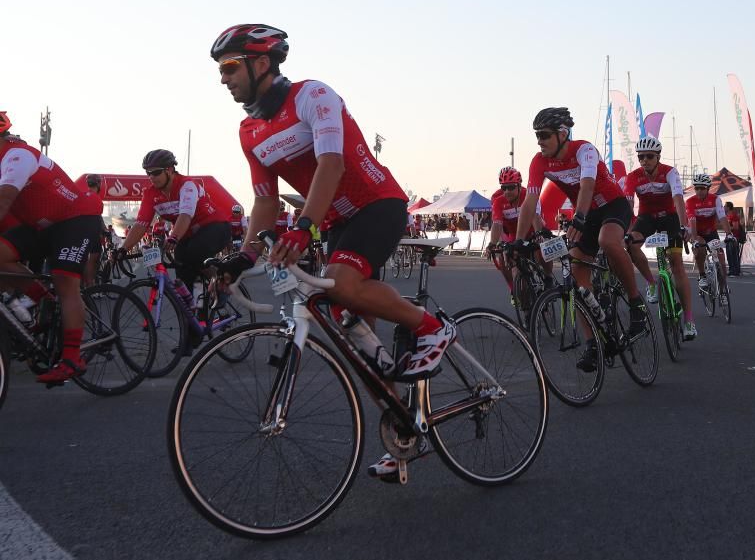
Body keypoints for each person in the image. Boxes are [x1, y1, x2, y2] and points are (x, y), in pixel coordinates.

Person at [208, 24, 454, 382]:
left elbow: (332, 163)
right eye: (220, 70)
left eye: (229, 66)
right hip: (335, 221)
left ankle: (433, 328)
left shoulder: (312, 95)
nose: (223, 78)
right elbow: (265, 201)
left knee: (340, 284)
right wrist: (244, 256)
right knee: (343, 317)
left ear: (261, 63)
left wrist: (304, 228)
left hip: (376, 203)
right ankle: (397, 405)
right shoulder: (249, 132)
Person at [514, 107, 645, 372]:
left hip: (611, 204)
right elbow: (530, 201)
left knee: (608, 242)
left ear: (562, 134)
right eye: (537, 136)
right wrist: (518, 240)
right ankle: (593, 344)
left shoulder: (584, 150)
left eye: (544, 135)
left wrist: (580, 218)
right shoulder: (539, 161)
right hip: (586, 214)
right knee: (576, 275)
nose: (539, 141)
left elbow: (587, 186)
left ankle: (636, 304)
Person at [0, 110, 105, 383]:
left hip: (76, 220)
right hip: (41, 225)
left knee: (64, 281)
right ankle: (45, 301)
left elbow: (4, 199)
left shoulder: (17, 155)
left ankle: (72, 357)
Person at [118, 149, 231, 298]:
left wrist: (173, 237)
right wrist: (123, 249)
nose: (151, 177)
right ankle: (193, 313)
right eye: (148, 173)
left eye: (156, 172)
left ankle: (221, 282)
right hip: (188, 233)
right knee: (182, 272)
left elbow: (185, 215)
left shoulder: (187, 185)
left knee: (195, 252)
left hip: (215, 226)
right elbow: (141, 224)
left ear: (170, 170)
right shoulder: (150, 194)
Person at [622, 136, 697, 339]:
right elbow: (628, 207)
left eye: (649, 156)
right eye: (641, 157)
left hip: (670, 219)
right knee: (631, 245)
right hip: (646, 219)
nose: (644, 160)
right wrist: (626, 231)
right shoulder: (633, 176)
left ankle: (689, 321)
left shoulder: (669, 172)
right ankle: (652, 283)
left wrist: (684, 225)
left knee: (676, 264)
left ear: (658, 157)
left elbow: (678, 198)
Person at [487, 166, 551, 298]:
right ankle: (513, 288)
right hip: (513, 235)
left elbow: (535, 217)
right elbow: (497, 224)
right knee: (503, 257)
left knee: (544, 247)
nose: (507, 192)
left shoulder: (528, 195)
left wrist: (539, 234)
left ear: (519, 185)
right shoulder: (498, 201)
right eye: (503, 188)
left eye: (511, 187)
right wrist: (492, 243)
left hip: (533, 231)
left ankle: (548, 277)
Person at [685, 172, 733, 294]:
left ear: (708, 188)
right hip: (697, 232)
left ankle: (722, 290)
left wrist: (729, 234)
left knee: (722, 262)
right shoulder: (690, 202)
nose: (699, 191)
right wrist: (694, 239)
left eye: (702, 188)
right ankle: (702, 276)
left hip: (711, 232)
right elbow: (692, 221)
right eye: (697, 188)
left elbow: (722, 217)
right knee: (699, 247)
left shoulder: (715, 199)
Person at [723, 201, 745, 276]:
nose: (724, 208)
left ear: (728, 207)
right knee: (729, 254)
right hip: (729, 237)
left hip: (734, 238)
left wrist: (727, 227)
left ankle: (734, 271)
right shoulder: (728, 215)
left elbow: (736, 227)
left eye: (725, 206)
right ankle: (733, 270)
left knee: (733, 254)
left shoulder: (733, 215)